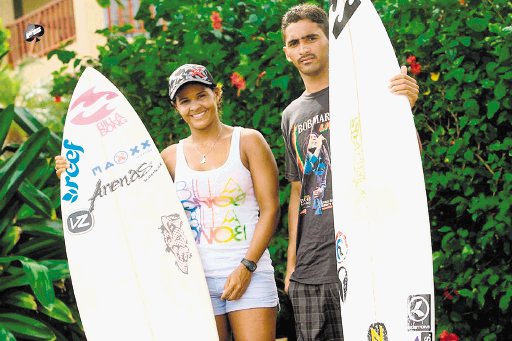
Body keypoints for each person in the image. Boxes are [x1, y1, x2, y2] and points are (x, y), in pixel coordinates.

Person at [55, 64, 280, 341]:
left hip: (250, 273)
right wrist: (75, 171)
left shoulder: (247, 141)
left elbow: (270, 210)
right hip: (193, 282)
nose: (195, 106)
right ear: (176, 108)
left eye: (201, 95)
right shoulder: (170, 158)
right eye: (185, 101)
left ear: (216, 95)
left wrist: (247, 267)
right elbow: (123, 197)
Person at [280, 4, 420, 340]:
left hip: (366, 255)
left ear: (329, 40)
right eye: (295, 42)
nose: (304, 48)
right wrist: (292, 265)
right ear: (286, 52)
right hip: (311, 269)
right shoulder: (291, 115)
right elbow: (300, 190)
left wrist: (404, 111)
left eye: (311, 38)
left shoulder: (365, 95)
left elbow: (406, 161)